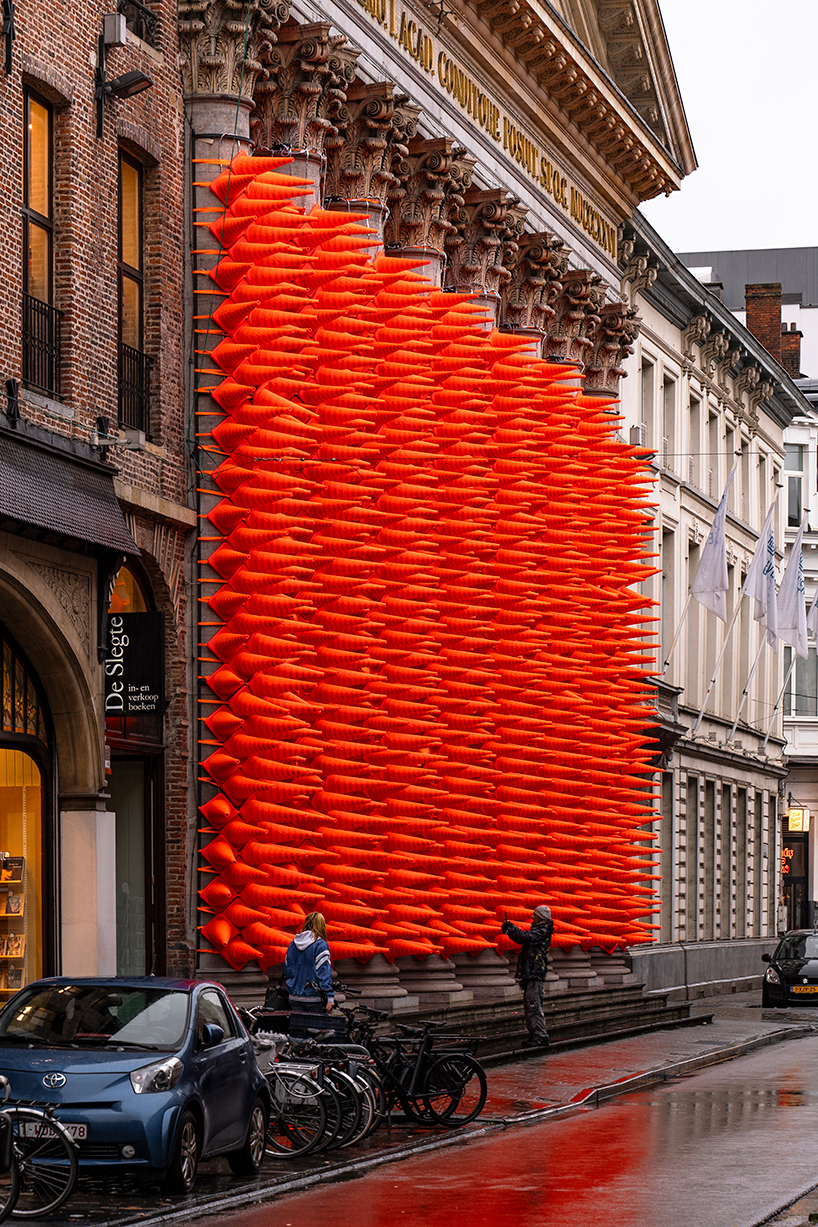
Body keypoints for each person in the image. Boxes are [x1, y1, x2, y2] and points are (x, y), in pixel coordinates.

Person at [501, 903, 554, 1048]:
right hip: (531, 974)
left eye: (535, 915)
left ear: (541, 917)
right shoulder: (540, 930)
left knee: (534, 1006)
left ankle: (540, 1037)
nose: (532, 917)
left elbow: (525, 937)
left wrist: (511, 928)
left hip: (535, 974)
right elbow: (523, 937)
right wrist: (511, 930)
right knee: (531, 1005)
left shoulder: (542, 931)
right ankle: (535, 1035)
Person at [283, 912, 335, 1030]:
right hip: (314, 998)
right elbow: (324, 972)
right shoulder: (320, 945)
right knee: (318, 1034)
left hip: (294, 997)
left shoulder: (292, 945)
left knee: (299, 1033)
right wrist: (330, 997)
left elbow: (286, 969)